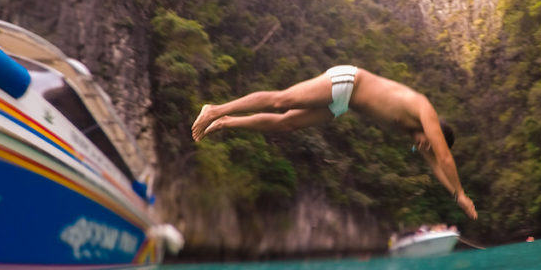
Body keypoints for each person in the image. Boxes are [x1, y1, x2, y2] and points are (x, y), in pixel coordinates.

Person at [191, 65, 477, 219]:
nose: (420, 147)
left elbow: (437, 167)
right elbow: (445, 159)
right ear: (434, 131)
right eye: (426, 143)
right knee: (283, 100)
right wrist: (463, 194)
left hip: (343, 104)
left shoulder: (417, 134)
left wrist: (456, 196)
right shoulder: (424, 108)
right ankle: (216, 109)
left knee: (286, 123)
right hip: (348, 82)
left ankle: (226, 123)